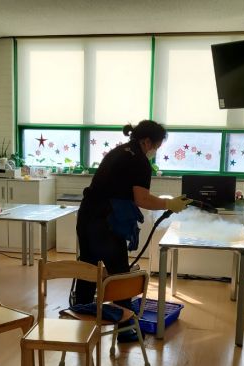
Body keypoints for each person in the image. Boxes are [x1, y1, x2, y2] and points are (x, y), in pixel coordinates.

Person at [74, 120, 191, 333]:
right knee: (120, 274)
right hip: (105, 222)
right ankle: (126, 328)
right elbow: (142, 199)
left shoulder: (119, 151)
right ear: (147, 141)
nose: (155, 151)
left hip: (87, 216)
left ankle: (81, 323)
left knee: (88, 268)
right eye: (156, 146)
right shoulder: (139, 161)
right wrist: (169, 204)